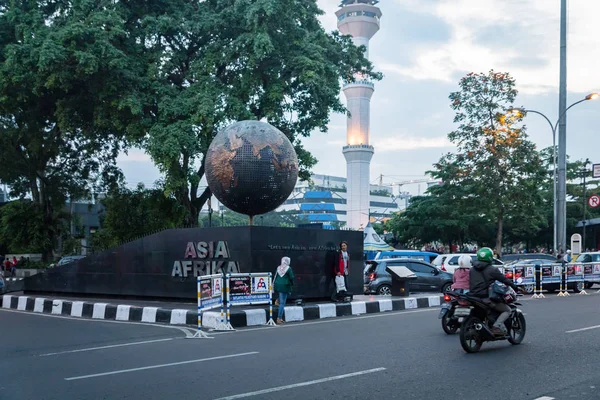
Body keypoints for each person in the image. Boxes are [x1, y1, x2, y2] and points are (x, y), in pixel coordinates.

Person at [470, 247, 519, 336]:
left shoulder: (471, 269)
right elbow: (504, 280)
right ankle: (496, 326)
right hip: (486, 298)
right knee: (507, 310)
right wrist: (515, 287)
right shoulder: (492, 269)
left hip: (473, 297)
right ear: (490, 257)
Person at [273, 256, 294, 325]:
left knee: (286, 294)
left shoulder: (278, 267)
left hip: (278, 285)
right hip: (285, 286)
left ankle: (278, 300)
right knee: (282, 303)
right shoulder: (288, 268)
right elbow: (291, 277)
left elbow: (275, 276)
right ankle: (279, 318)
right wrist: (292, 283)